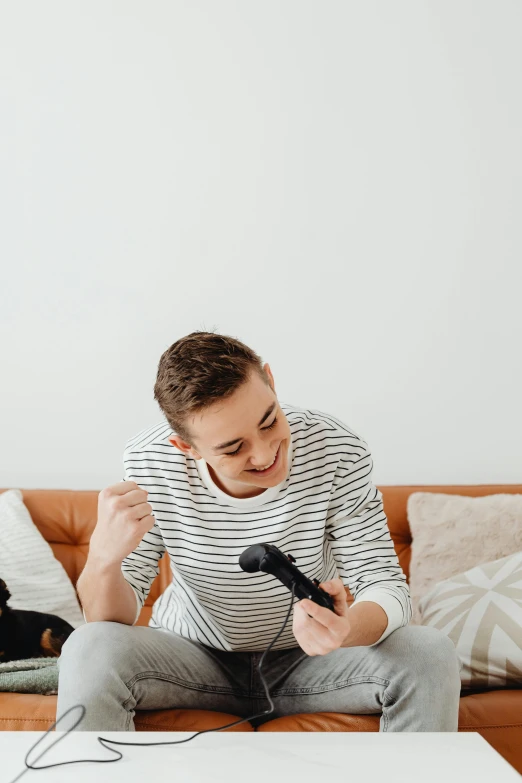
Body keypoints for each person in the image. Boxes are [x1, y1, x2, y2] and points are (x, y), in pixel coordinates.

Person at [57, 331, 462, 731]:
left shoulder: (336, 448)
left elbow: (385, 586)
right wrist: (103, 559)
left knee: (428, 652)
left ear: (270, 379)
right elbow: (109, 621)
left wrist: (344, 629)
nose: (266, 454)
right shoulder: (151, 462)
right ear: (187, 447)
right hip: (192, 659)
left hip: (314, 665)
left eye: (269, 422)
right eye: (233, 448)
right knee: (88, 647)